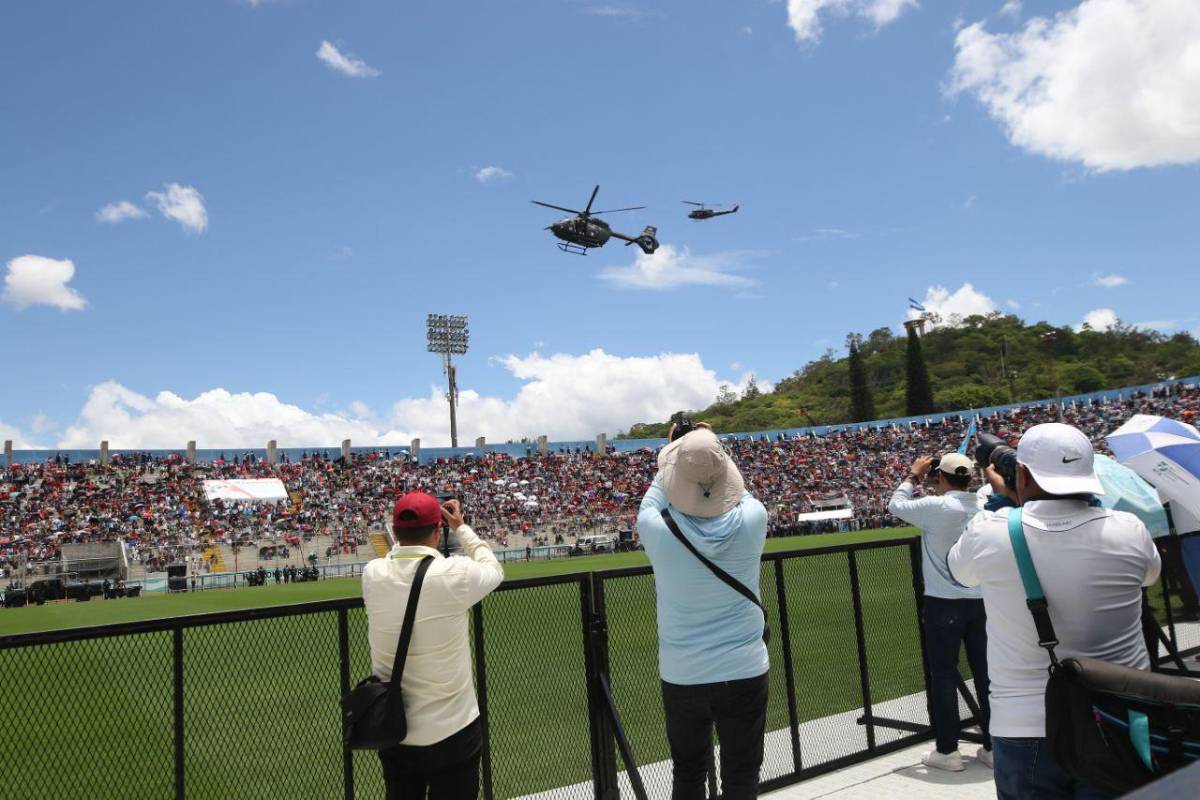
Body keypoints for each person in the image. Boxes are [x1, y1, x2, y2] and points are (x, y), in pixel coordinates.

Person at [948, 423, 1161, 800]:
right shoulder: (1130, 529)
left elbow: (959, 573)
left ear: (1023, 474)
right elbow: (1149, 575)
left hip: (1025, 725)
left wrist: (1003, 504)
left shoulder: (991, 531)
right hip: (1118, 717)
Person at [637, 425, 769, 800]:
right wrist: (708, 451)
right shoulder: (754, 518)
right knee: (742, 778)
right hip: (745, 668)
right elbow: (738, 489)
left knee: (689, 773)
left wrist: (679, 451)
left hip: (683, 673)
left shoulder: (654, 527)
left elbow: (655, 493)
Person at [362, 492, 503, 800]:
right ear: (439, 532)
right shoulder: (455, 573)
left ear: (394, 533)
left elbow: (395, 560)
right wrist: (462, 527)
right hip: (453, 729)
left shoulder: (372, 573)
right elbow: (493, 570)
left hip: (394, 728)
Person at [888, 452, 992, 771]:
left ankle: (948, 751)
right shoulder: (983, 505)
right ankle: (994, 746)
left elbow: (895, 505)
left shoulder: (935, 506)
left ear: (941, 478)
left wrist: (913, 475)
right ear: (969, 478)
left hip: (943, 602)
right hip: (981, 600)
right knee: (987, 676)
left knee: (944, 677)